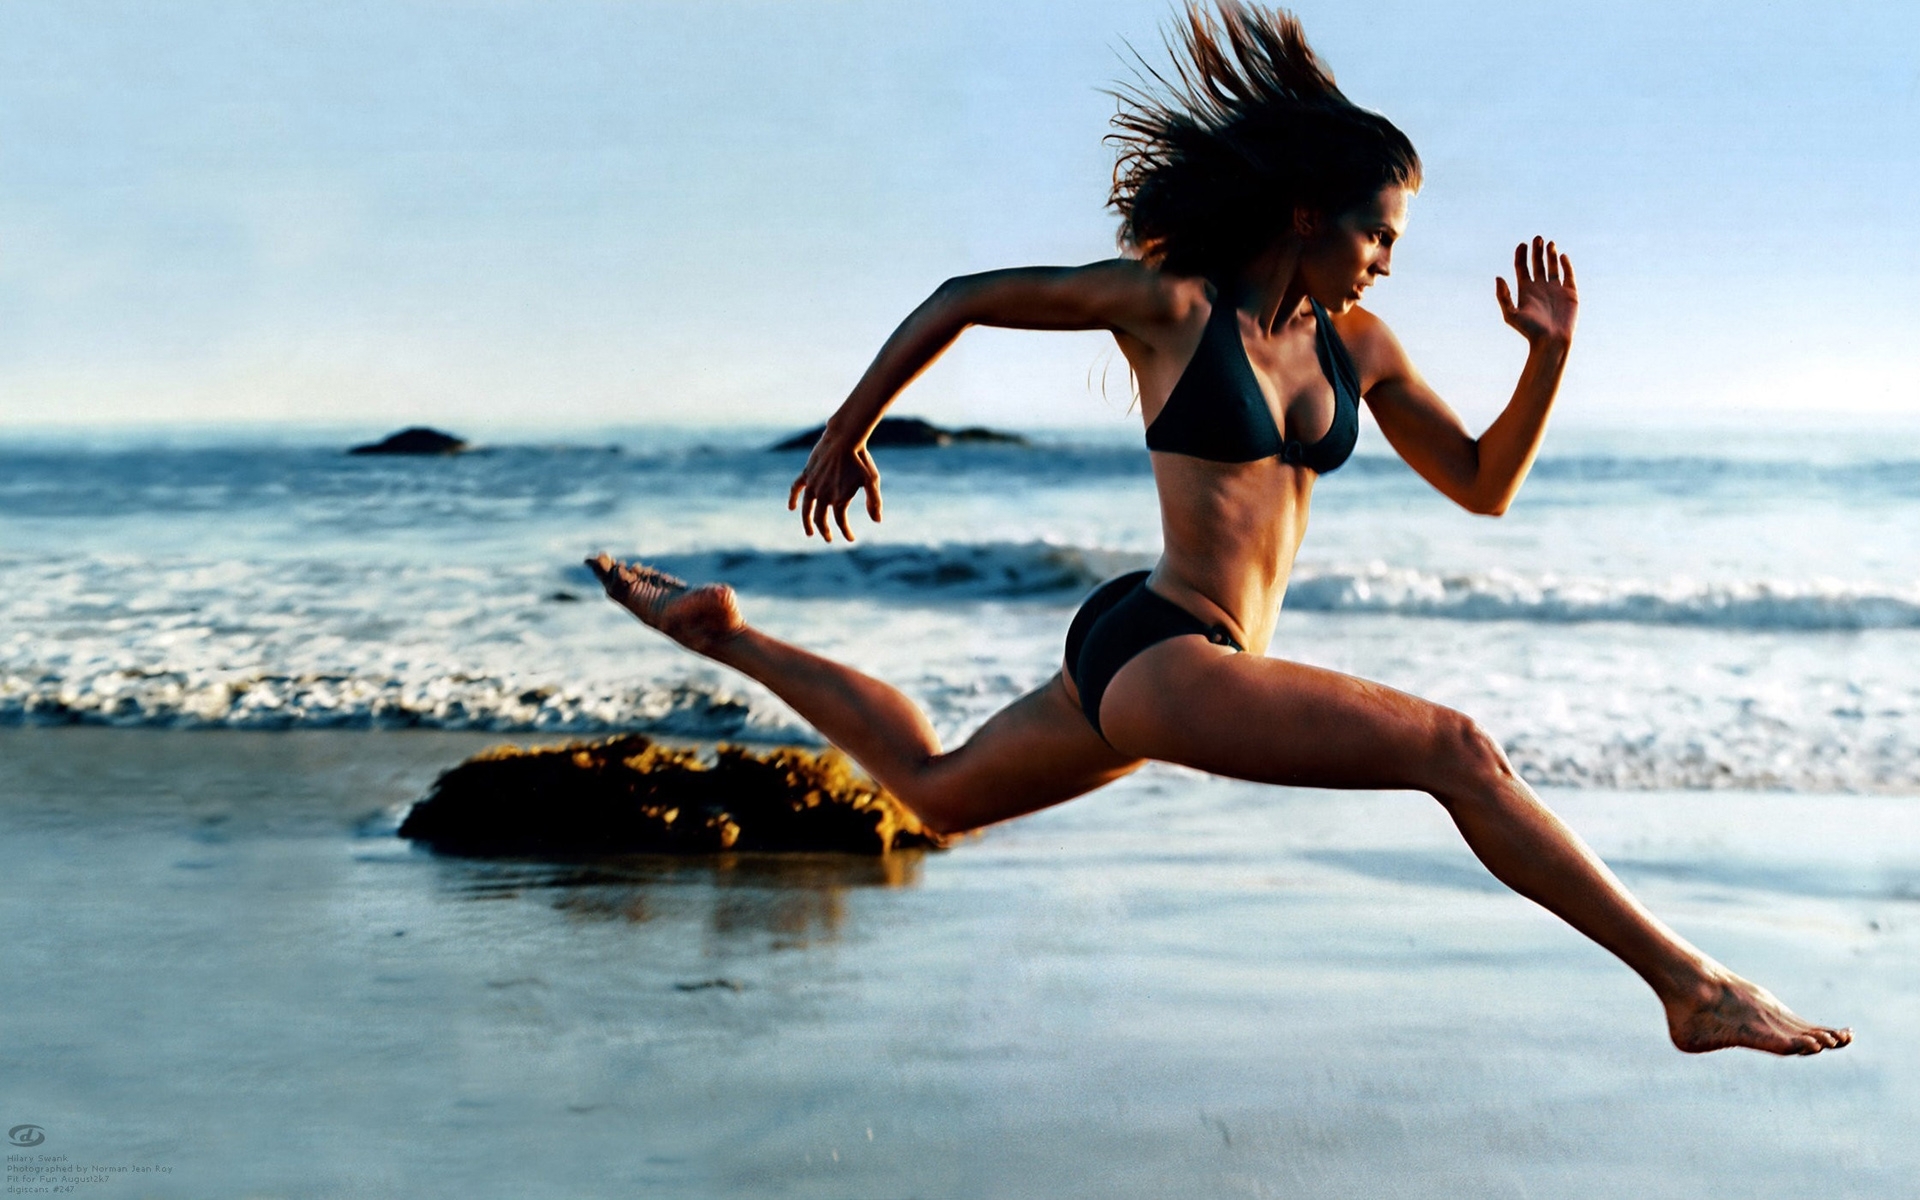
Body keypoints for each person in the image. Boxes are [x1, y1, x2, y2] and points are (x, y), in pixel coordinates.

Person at [589, 1, 1849, 1055]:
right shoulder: (1172, 308)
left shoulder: (1359, 345)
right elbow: (961, 297)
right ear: (1306, 212)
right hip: (1164, 652)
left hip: (1150, 658)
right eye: (1377, 232)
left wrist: (1548, 365)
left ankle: (724, 635)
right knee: (1459, 750)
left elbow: (1481, 484)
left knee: (930, 793)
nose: (1387, 261)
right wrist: (846, 429)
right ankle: (1693, 988)